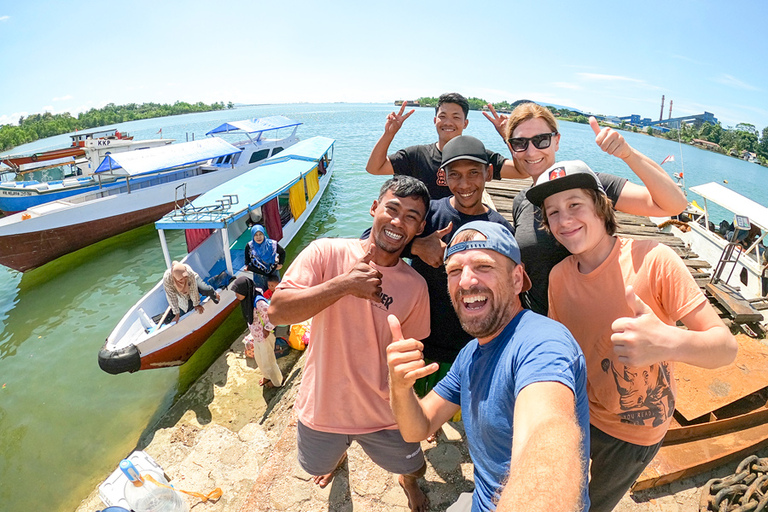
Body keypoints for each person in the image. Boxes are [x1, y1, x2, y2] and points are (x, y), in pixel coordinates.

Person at [526, 160, 738, 512]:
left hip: (635, 431)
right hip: (581, 410)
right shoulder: (559, 276)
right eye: (553, 212)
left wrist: (668, 342)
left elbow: (726, 348)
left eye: (575, 204)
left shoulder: (654, 260)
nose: (564, 220)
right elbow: (561, 349)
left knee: (594, 504)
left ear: (601, 205)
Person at [387, 221, 590, 512]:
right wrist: (400, 387)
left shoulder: (543, 342)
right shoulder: (470, 355)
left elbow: (548, 435)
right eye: (454, 271)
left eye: (483, 266)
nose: (466, 281)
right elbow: (418, 428)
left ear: (517, 279)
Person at [268, 176, 433, 512]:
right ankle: (338, 455)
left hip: (385, 411)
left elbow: (412, 351)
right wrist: (343, 285)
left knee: (415, 466)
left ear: (419, 228)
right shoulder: (325, 252)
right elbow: (277, 312)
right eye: (392, 209)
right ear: (374, 208)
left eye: (411, 217)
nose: (398, 222)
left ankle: (408, 482)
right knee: (315, 466)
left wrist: (416, 404)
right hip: (323, 405)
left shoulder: (416, 286)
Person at [484, 102, 687, 315]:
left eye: (541, 140)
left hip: (594, 320)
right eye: (520, 143)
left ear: (556, 141)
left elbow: (673, 205)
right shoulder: (522, 201)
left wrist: (628, 154)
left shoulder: (590, 184)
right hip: (537, 323)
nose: (531, 151)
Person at [406, 135, 513, 395]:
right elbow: (371, 239)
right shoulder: (429, 213)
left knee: (456, 403)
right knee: (414, 401)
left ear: (488, 173)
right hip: (419, 339)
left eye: (474, 173)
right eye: (455, 175)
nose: (465, 184)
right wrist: (416, 246)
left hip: (470, 346)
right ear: (443, 177)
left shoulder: (500, 229)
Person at [365, 92, 525, 199]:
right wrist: (389, 134)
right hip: (424, 232)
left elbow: (521, 172)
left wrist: (507, 136)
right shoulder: (417, 155)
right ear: (435, 121)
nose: (448, 122)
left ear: (465, 123)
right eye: (442, 116)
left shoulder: (478, 156)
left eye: (456, 117)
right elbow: (374, 168)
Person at [231, 276, 282, 388]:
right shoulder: (247, 301)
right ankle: (267, 376)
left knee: (269, 361)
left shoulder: (259, 303)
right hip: (257, 336)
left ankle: (277, 382)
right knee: (260, 359)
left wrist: (267, 328)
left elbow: (275, 315)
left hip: (265, 336)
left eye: (238, 292)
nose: (236, 295)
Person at [245, 225, 285, 291]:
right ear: (252, 236)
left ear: (264, 234)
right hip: (258, 276)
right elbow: (247, 261)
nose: (258, 237)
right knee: (261, 292)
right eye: (256, 235)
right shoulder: (249, 246)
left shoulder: (272, 244)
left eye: (260, 234)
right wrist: (248, 267)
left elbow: (282, 252)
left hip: (273, 274)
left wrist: (280, 264)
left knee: (276, 291)